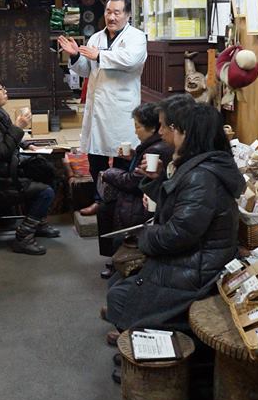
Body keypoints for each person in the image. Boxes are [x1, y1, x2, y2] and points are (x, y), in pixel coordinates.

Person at [104, 102, 245, 334]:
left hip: (199, 268)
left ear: (186, 133)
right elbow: (177, 209)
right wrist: (159, 179)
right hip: (194, 257)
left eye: (168, 127)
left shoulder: (201, 176)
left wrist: (144, 235)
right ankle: (129, 324)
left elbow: (177, 234)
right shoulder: (201, 164)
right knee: (119, 283)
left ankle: (141, 334)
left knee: (119, 296)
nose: (162, 131)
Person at [59, 0, 147, 217]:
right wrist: (75, 57)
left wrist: (99, 55)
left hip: (121, 110)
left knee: (122, 159)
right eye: (108, 12)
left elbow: (129, 60)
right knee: (95, 157)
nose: (112, 17)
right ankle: (99, 200)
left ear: (127, 15)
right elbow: (86, 70)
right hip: (98, 108)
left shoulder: (136, 37)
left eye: (117, 12)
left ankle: (120, 202)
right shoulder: (96, 38)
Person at [0, 75, 60, 255]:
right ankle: (23, 236)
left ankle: (38, 223)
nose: (5, 91)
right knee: (46, 192)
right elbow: (2, 152)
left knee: (48, 172)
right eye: (0, 89)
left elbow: (5, 138)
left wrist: (27, 145)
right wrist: (18, 126)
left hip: (7, 169)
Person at [96, 102, 174, 279]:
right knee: (105, 209)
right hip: (143, 195)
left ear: (152, 128)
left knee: (109, 209)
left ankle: (121, 259)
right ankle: (116, 258)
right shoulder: (150, 145)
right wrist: (132, 156)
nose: (135, 131)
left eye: (138, 127)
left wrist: (109, 173)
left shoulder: (156, 149)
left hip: (145, 200)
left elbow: (133, 182)